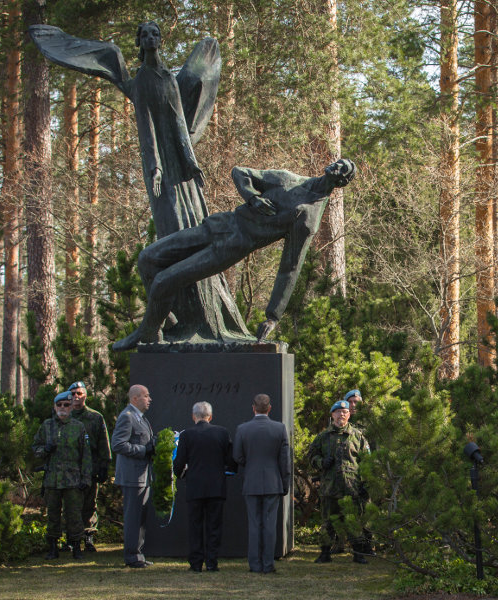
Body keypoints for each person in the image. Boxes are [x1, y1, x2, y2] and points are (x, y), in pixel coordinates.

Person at [29, 22, 249, 343]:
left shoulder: (168, 79)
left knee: (196, 228)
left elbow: (178, 122)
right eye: (144, 35)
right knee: (172, 233)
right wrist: (155, 168)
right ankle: (177, 316)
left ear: (160, 40)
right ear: (140, 42)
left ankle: (204, 316)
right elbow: (146, 127)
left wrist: (191, 163)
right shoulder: (143, 80)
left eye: (154, 34)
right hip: (161, 173)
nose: (150, 39)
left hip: (181, 169)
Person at [112, 158, 357, 350]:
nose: (335, 167)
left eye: (342, 169)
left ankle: (148, 332)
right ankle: (162, 325)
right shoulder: (289, 180)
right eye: (337, 162)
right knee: (147, 259)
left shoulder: (307, 218)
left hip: (231, 247)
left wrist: (273, 316)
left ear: (342, 182)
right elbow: (240, 172)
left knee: (164, 281)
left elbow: (290, 267)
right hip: (220, 224)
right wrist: (252, 198)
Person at [172, 401, 237, 572]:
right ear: (210, 416)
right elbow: (231, 460)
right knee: (214, 526)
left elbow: (179, 462)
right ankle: (211, 562)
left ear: (194, 416)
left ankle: (195, 563)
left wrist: (180, 475)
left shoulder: (187, 435)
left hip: (195, 486)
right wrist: (229, 470)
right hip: (216, 486)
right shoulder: (222, 433)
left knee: (195, 526)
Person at [307, 399, 372, 564]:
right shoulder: (323, 437)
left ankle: (358, 554)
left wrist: (365, 483)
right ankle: (324, 553)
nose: (341, 415)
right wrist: (321, 462)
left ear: (349, 415)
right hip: (330, 488)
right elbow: (311, 457)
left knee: (354, 521)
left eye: (344, 412)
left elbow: (367, 462)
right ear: (332, 415)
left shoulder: (358, 437)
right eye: (338, 412)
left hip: (352, 487)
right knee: (328, 522)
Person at [233, 394, 290, 574]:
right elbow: (285, 461)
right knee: (269, 525)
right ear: (269, 408)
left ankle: (255, 565)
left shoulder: (242, 429)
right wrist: (285, 483)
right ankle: (268, 564)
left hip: (251, 481)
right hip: (273, 482)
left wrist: (249, 466)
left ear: (253, 408)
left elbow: (237, 456)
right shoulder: (279, 429)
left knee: (254, 525)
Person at [32, 390, 92, 560]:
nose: (63, 408)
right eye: (59, 405)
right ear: (55, 406)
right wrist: (45, 449)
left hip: (73, 480)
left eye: (66, 405)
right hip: (52, 479)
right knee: (52, 514)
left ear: (72, 407)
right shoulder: (47, 426)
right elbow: (35, 449)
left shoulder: (78, 427)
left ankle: (76, 547)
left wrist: (86, 478)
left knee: (74, 515)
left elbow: (86, 456)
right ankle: (53, 548)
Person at [111, 384, 155, 568]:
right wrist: (143, 450)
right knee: (133, 518)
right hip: (132, 476)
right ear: (135, 398)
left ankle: (138, 554)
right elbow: (118, 444)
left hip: (142, 475)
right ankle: (131, 556)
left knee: (140, 517)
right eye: (146, 396)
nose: (149, 399)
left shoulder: (141, 418)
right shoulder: (127, 417)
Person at [68, 381, 111, 552]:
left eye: (80, 393)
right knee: (71, 504)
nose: (76, 397)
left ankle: (88, 537)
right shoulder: (65, 416)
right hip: (70, 467)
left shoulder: (95, 417)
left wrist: (104, 465)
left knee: (89, 504)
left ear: (85, 395)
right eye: (73, 394)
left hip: (90, 467)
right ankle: (72, 539)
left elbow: (103, 442)